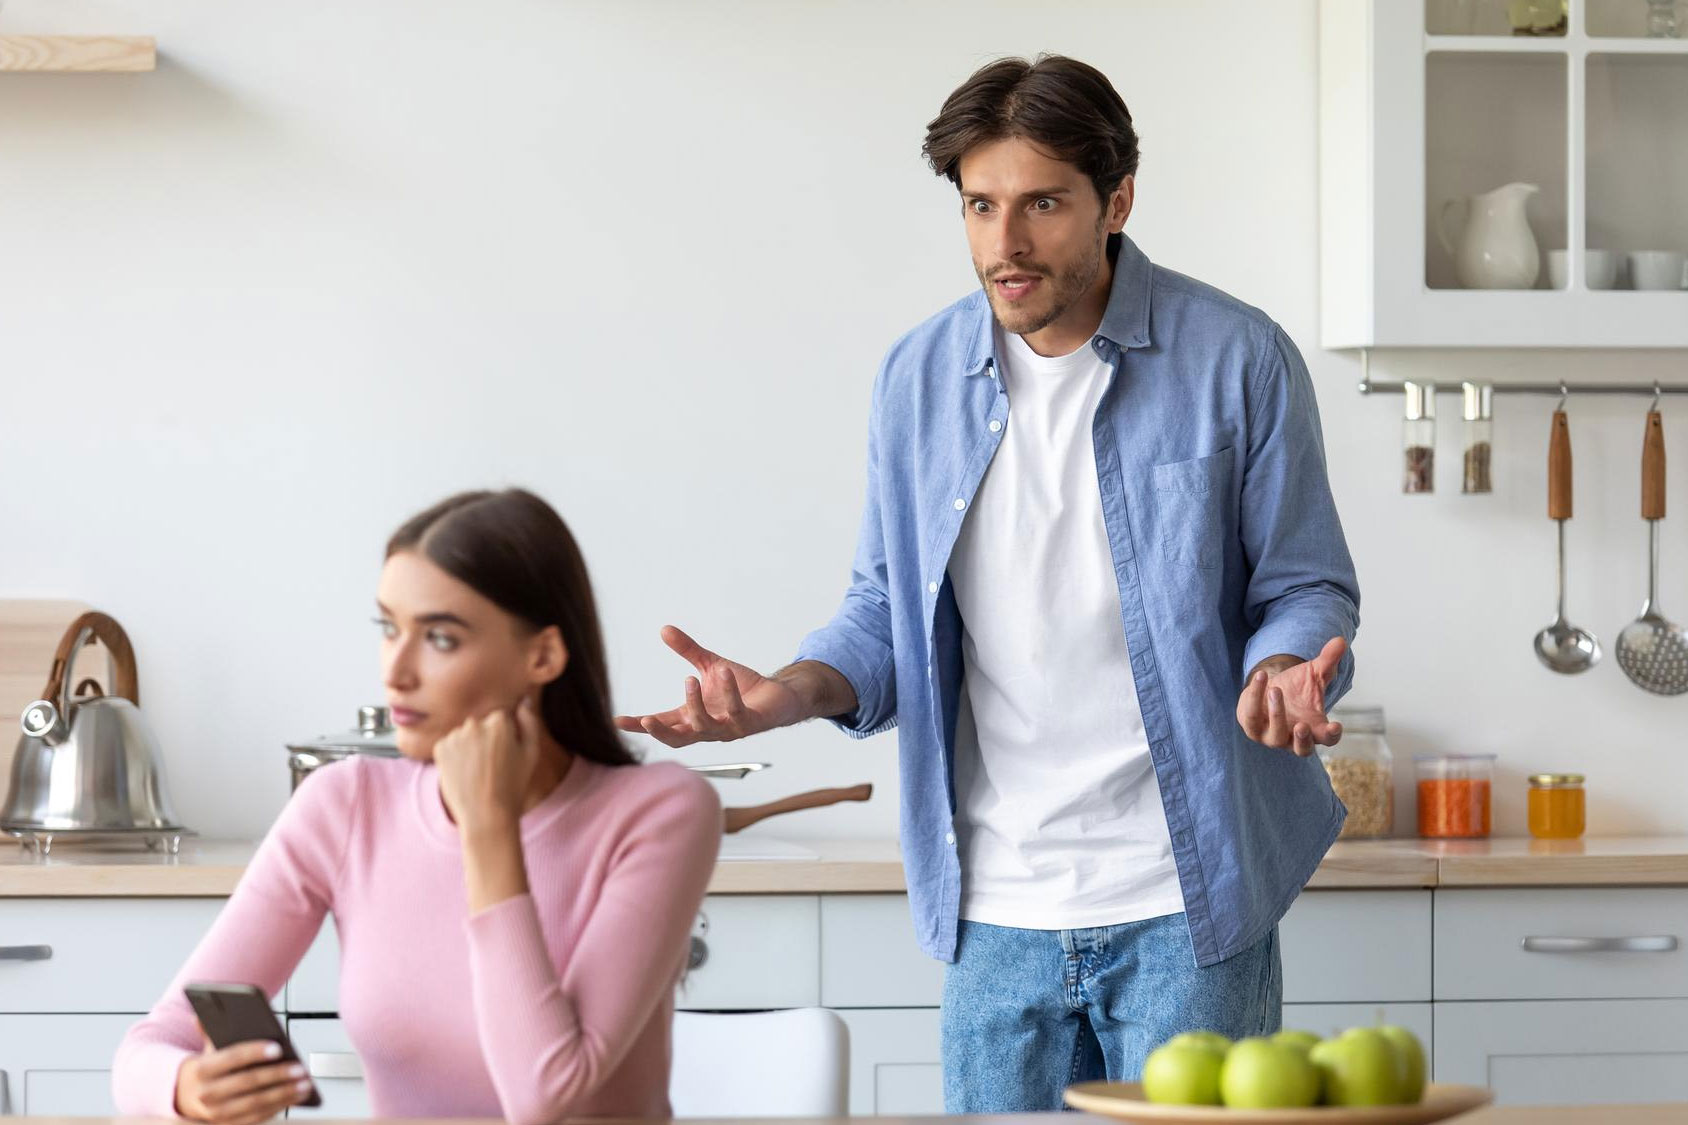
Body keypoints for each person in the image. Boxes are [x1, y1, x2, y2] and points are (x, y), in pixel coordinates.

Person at [617, 55, 1360, 1112]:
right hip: (994, 914)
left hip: (1185, 903)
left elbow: (1303, 583)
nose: (1002, 245)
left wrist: (1285, 665)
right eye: (978, 206)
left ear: (1117, 202)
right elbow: (883, 608)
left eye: (1040, 205)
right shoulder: (915, 377)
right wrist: (784, 693)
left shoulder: (1236, 360)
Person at [113, 488, 722, 1125]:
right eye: (388, 627)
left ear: (542, 654)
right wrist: (186, 1088)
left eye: (439, 637)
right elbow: (147, 1050)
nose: (396, 671)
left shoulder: (661, 814)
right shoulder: (345, 803)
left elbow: (546, 1096)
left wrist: (487, 829)